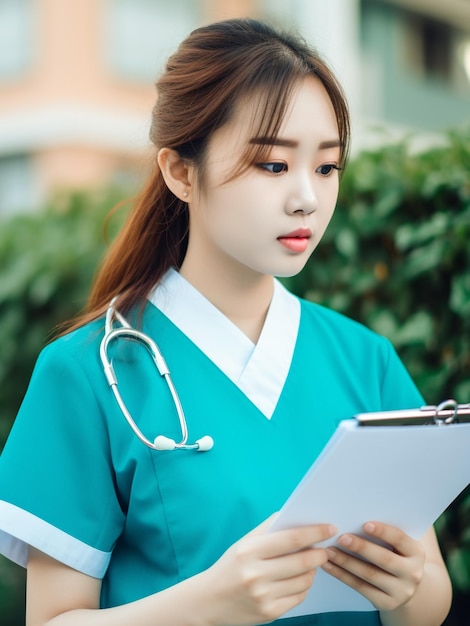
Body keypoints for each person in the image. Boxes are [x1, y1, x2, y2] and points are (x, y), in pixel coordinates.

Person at [0, 17, 452, 626]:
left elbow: (430, 604)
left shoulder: (366, 360)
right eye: (272, 165)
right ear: (181, 173)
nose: (307, 199)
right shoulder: (87, 373)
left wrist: (405, 590)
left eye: (326, 167)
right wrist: (215, 602)